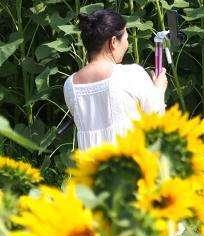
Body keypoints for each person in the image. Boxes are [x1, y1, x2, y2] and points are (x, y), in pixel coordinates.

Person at [63, 9, 167, 150]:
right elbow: (156, 119)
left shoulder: (70, 85)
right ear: (113, 42)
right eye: (126, 39)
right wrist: (159, 89)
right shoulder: (131, 74)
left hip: (92, 168)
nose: (127, 45)